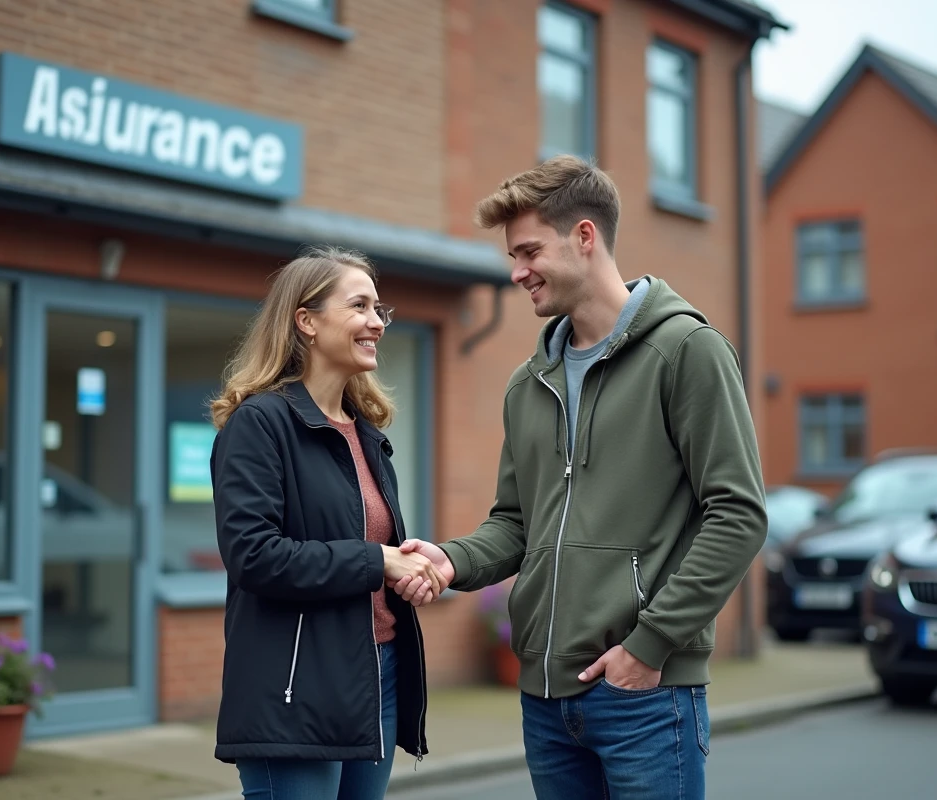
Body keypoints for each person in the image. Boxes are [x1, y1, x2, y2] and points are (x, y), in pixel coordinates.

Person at [392, 155, 767, 799]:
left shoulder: (684, 352)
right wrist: (451, 562)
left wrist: (649, 646)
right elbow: (516, 523)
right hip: (545, 699)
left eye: (530, 250)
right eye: (513, 255)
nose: (516, 272)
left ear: (585, 236)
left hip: (645, 695)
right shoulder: (527, 383)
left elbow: (737, 514)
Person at [209, 245, 443, 800]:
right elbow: (254, 556)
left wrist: (406, 568)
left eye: (380, 310)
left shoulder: (364, 433)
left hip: (376, 675)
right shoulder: (259, 424)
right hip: (295, 690)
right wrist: (377, 560)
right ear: (307, 321)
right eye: (359, 306)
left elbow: (366, 548)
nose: (376, 323)